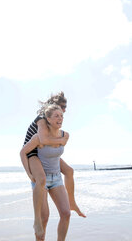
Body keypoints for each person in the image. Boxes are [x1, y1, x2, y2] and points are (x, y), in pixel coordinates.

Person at [21, 92, 86, 240]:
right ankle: (37, 219)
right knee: (41, 180)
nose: (64, 111)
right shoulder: (42, 119)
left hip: (44, 154)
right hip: (32, 152)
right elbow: (42, 139)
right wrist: (61, 141)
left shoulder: (56, 125)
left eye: (64, 108)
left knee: (69, 171)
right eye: (62, 107)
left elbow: (50, 141)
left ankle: (72, 203)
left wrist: (61, 140)